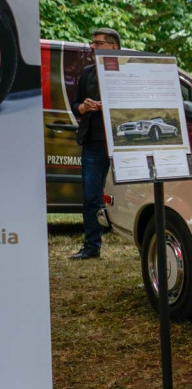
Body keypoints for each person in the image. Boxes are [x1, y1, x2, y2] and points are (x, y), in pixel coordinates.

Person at [69, 28, 121, 260]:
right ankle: (92, 247)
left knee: (135, 196)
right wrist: (82, 107)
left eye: (98, 43)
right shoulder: (88, 73)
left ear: (113, 47)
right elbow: (76, 104)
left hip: (122, 143)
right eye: (92, 42)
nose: (92, 47)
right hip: (93, 143)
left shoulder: (126, 70)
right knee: (91, 197)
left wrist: (107, 104)